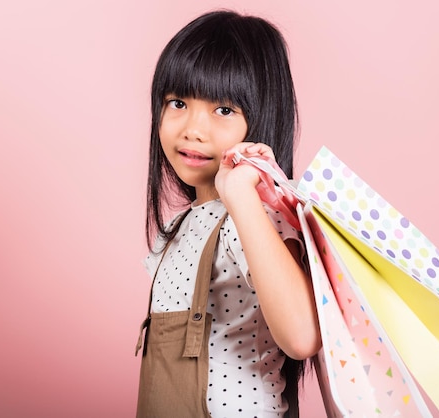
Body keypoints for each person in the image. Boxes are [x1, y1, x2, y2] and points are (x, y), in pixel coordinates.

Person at [135, 10, 321, 418]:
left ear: (262, 118)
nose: (193, 129)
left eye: (223, 110)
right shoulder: (176, 228)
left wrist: (240, 194)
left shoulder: (251, 219)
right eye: (178, 102)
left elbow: (303, 336)